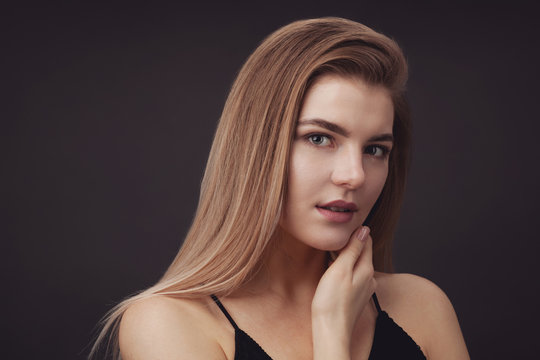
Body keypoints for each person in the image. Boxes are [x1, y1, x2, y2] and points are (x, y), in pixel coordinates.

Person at [90, 17, 469, 359]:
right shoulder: (168, 324)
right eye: (320, 138)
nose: (354, 176)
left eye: (374, 149)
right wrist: (331, 333)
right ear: (256, 148)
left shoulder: (422, 306)